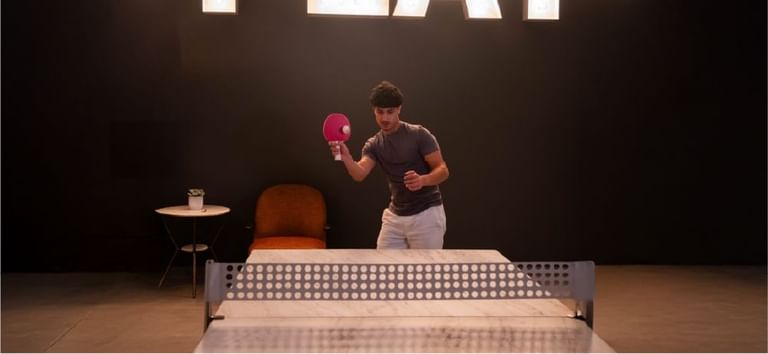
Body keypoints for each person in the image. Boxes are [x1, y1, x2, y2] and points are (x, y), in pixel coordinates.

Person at [330, 81, 449, 249]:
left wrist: (423, 180)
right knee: (384, 271)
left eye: (390, 112)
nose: (384, 118)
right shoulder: (374, 144)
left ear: (399, 109)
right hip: (395, 216)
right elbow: (359, 174)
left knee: (425, 273)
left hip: (426, 214)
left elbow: (443, 170)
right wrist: (346, 157)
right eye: (380, 112)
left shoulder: (419, 134)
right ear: (374, 111)